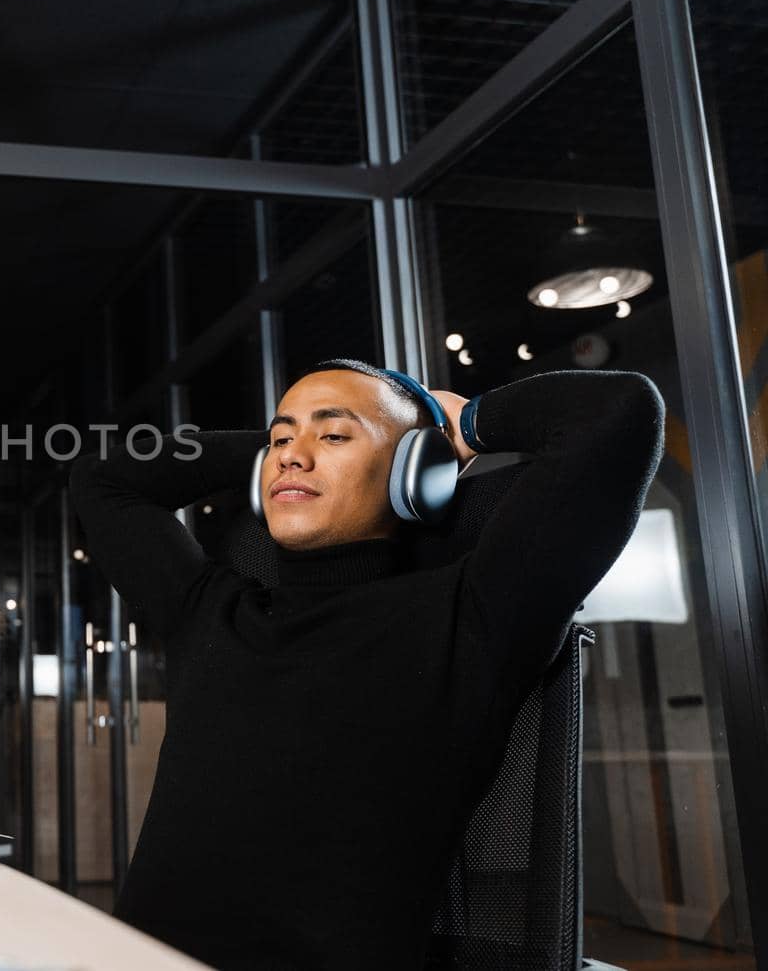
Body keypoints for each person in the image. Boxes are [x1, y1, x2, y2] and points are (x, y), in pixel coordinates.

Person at [67, 360, 664, 970]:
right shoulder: (209, 613)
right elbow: (101, 477)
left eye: (333, 435)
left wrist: (465, 424)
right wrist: (281, 444)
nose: (290, 458)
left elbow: (616, 412)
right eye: (280, 441)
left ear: (416, 469)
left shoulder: (475, 619)